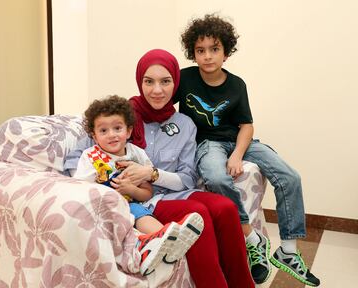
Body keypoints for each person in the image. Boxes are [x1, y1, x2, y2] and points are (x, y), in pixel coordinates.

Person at [173, 13, 320, 287]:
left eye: (214, 49)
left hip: (241, 140)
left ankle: (287, 251)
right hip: (208, 143)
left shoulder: (237, 84)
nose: (208, 56)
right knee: (217, 177)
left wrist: (238, 155)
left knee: (290, 177)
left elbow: (247, 126)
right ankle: (252, 239)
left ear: (226, 52)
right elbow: (159, 100)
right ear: (193, 53)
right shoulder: (185, 79)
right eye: (200, 50)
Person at [110, 49, 255, 287]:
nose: (157, 90)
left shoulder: (185, 124)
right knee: (198, 214)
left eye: (165, 82)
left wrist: (152, 173)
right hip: (144, 201)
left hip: (177, 191)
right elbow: (85, 153)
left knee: (227, 208)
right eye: (149, 81)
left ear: (175, 83)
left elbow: (187, 178)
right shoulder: (121, 119)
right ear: (139, 81)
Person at [73, 95, 203, 277]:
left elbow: (147, 193)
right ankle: (146, 246)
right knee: (125, 220)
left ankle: (166, 238)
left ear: (128, 131)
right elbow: (81, 189)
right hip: (102, 207)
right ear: (94, 136)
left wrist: (131, 190)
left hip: (132, 205)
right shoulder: (90, 156)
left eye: (117, 128)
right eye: (103, 131)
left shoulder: (137, 155)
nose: (111, 134)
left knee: (141, 214)